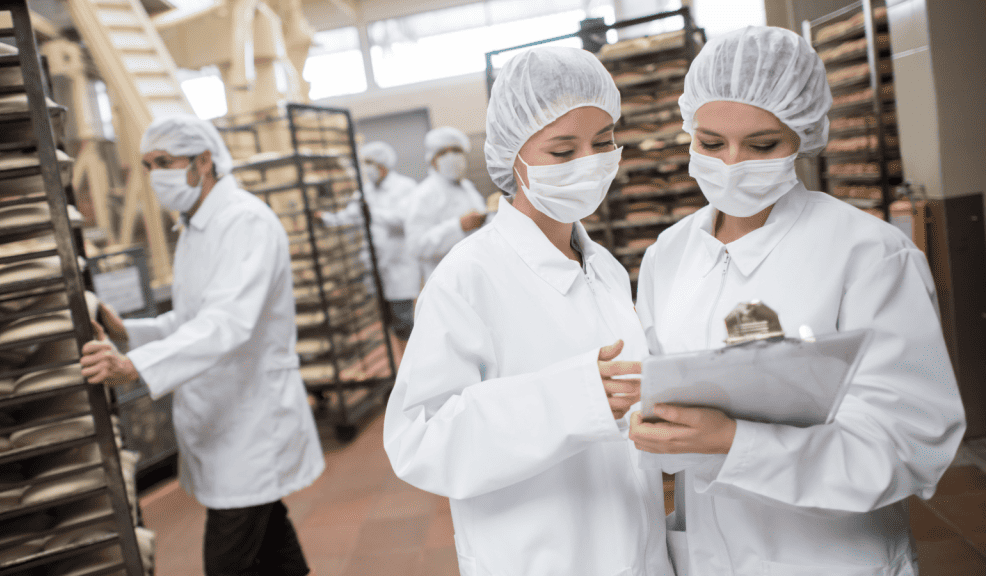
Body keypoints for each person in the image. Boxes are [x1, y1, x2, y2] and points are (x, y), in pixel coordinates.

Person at [629, 26, 965, 575]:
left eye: (762, 145)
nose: (733, 163)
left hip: (827, 555)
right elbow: (650, 385)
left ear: (804, 135)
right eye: (711, 143)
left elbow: (909, 444)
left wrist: (736, 443)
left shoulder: (868, 255)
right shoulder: (671, 253)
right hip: (710, 554)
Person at [384, 46, 673, 576]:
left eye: (603, 142)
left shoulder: (603, 266)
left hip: (638, 548)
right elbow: (420, 439)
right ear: (513, 158)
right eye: (563, 151)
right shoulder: (467, 278)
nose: (588, 163)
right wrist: (573, 398)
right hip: (540, 557)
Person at [79, 115, 324, 576]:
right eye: (148, 165)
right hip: (224, 418)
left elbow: (227, 322)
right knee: (271, 543)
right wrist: (130, 333)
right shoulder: (195, 226)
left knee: (229, 558)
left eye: (165, 162)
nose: (156, 176)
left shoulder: (244, 222)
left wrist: (134, 367)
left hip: (252, 419)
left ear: (204, 162)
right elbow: (191, 318)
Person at [316, 141, 420, 351]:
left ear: (383, 165)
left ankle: (415, 365)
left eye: (370, 163)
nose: (367, 168)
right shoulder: (367, 191)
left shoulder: (405, 187)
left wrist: (373, 214)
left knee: (405, 322)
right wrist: (325, 219)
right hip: (376, 268)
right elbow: (351, 215)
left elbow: (404, 220)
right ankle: (401, 368)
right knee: (390, 324)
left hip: (399, 266)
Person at [405, 126, 487, 284]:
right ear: (433, 160)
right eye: (443, 153)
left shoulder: (467, 187)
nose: (451, 157)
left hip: (476, 274)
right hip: (447, 281)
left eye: (456, 150)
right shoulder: (424, 194)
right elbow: (416, 247)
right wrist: (458, 227)